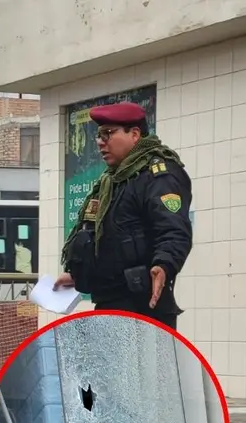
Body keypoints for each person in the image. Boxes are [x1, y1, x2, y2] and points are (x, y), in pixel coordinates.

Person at [54, 101, 192, 330]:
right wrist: (78, 276)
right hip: (111, 304)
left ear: (135, 134)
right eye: (98, 135)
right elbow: (109, 244)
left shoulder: (158, 176)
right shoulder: (112, 181)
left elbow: (173, 230)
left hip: (144, 308)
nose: (100, 142)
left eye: (108, 133)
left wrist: (164, 265)